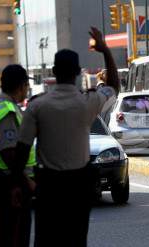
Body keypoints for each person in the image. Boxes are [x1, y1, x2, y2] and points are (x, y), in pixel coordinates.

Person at [14, 27, 119, 247]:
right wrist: (105, 50)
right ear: (78, 73)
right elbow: (113, 87)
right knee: (76, 239)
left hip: (49, 186)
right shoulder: (87, 103)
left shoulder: (37, 106)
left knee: (47, 239)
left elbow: (21, 152)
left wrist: (22, 183)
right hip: (78, 187)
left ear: (53, 71)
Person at [0, 64, 36, 247]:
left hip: (3, 181)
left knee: (8, 238)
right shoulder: (7, 112)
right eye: (26, 86)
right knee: (16, 239)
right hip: (11, 185)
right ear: (21, 86)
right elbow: (9, 153)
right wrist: (23, 182)